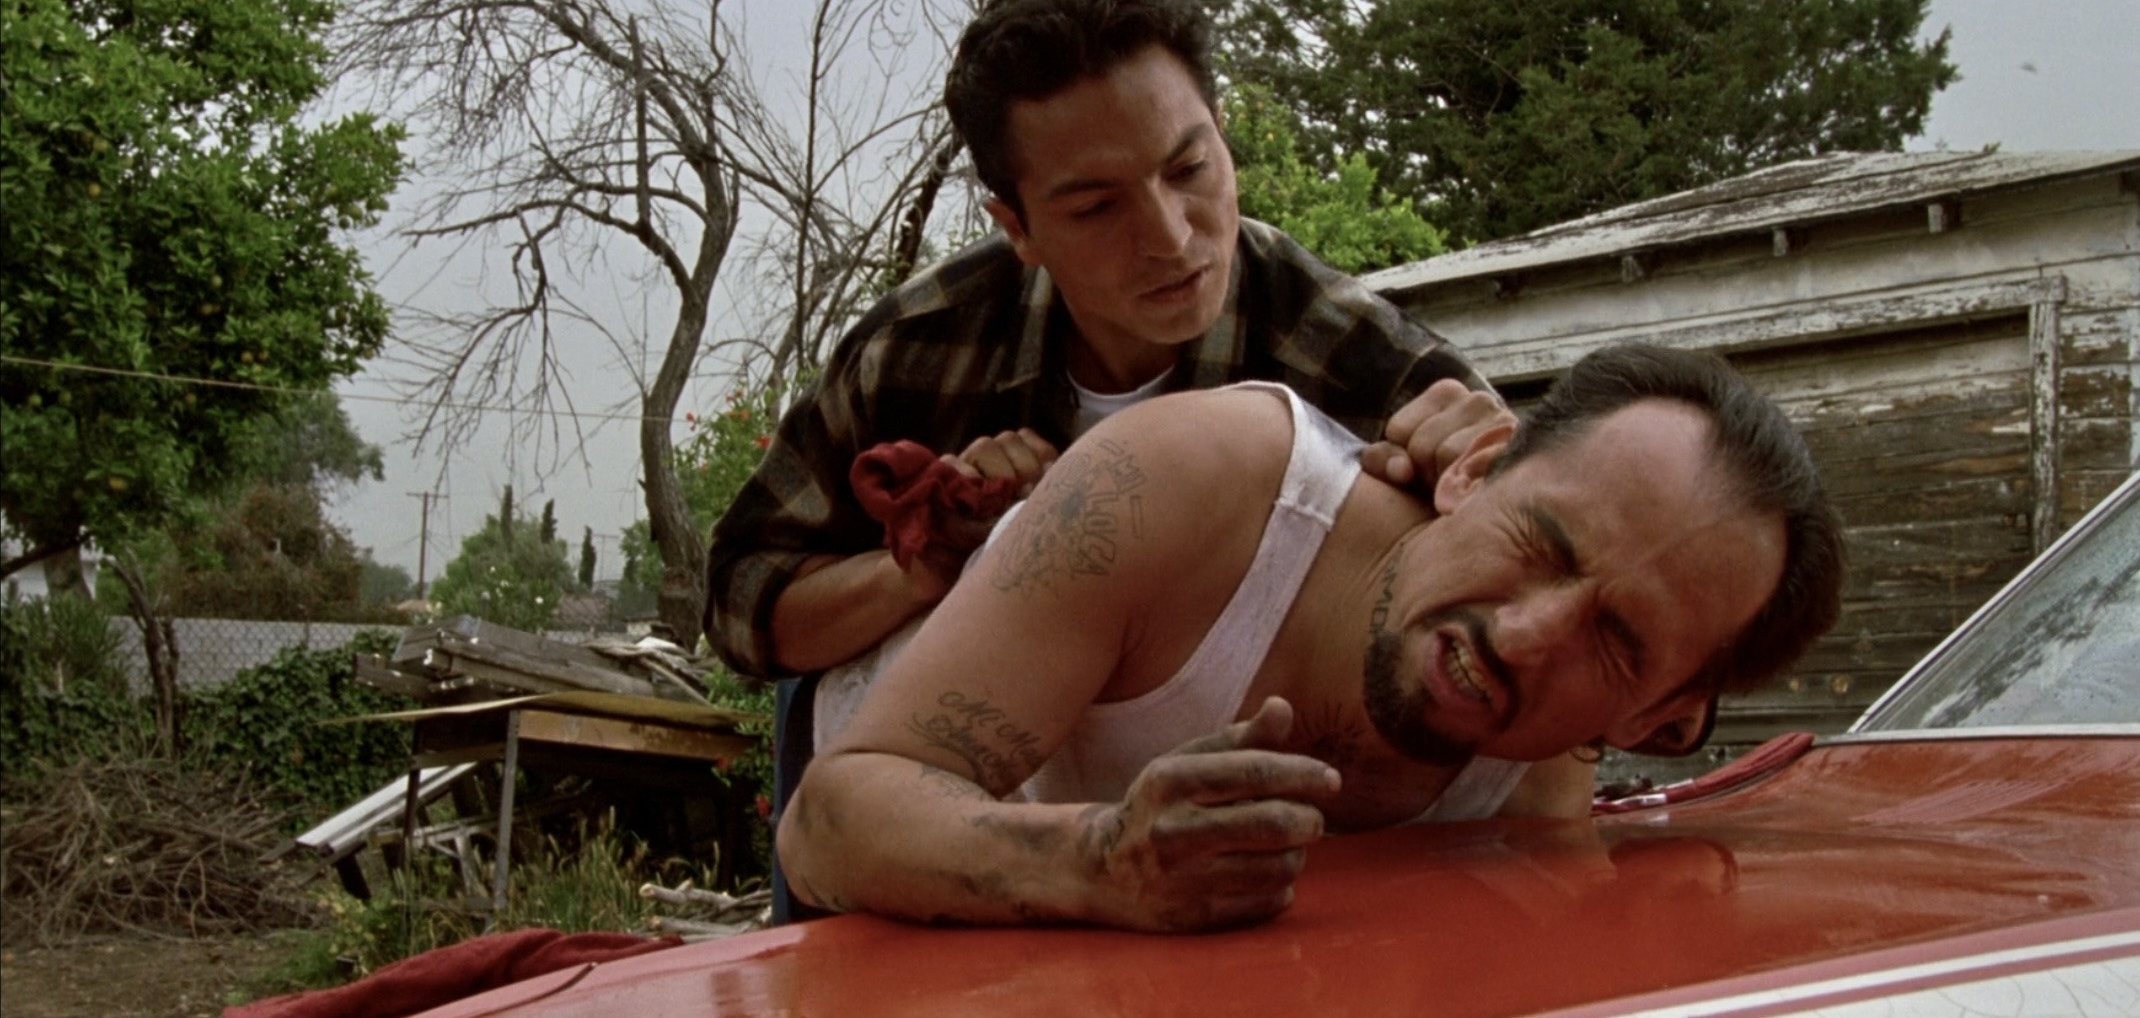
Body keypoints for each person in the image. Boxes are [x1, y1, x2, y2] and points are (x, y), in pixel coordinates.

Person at [777, 344, 1844, 932]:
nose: (1523, 636)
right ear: (1475, 470)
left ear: (1655, 717)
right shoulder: (1183, 479)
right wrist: (1099, 861)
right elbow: (826, 827)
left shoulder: (1549, 767)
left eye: (1615, 643)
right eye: (1540, 542)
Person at [702, 0, 1508, 682]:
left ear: (1223, 136)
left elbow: (1541, 598)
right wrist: (928, 567)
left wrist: (1494, 486)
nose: (1171, 237)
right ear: (1017, 228)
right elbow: (741, 601)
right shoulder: (916, 347)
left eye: (1188, 168)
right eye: (1096, 207)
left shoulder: (1359, 357)